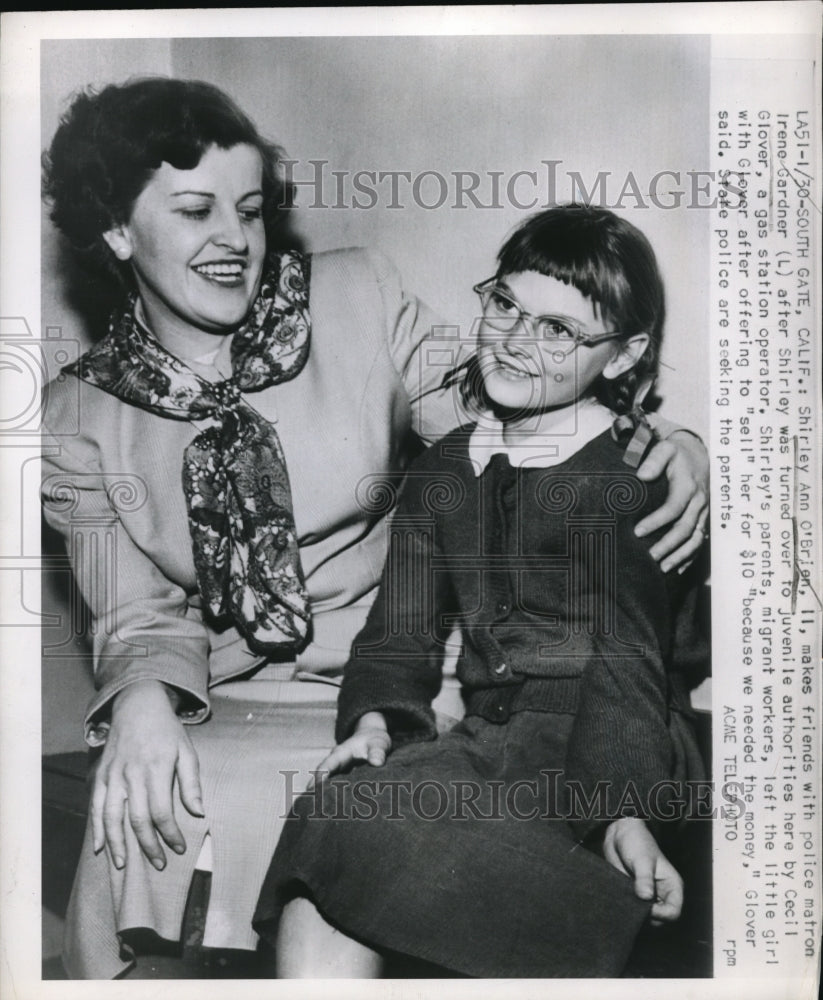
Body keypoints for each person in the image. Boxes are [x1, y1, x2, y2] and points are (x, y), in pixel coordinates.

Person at [40, 78, 709, 978]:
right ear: (118, 230)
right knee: (135, 815)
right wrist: (140, 706)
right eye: (196, 211)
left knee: (354, 829)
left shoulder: (359, 293)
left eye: (250, 210)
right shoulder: (72, 417)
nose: (235, 239)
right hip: (222, 694)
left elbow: (511, 410)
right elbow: (134, 616)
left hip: (405, 680)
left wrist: (670, 443)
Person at [253, 205, 708, 979]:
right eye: (505, 305)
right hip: (490, 738)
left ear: (624, 355)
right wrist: (373, 721)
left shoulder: (629, 475)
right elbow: (398, 631)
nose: (516, 340)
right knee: (337, 808)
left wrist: (621, 811)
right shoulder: (442, 470)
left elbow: (627, 659)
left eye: (557, 330)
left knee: (417, 841)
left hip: (616, 745)